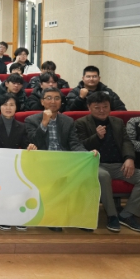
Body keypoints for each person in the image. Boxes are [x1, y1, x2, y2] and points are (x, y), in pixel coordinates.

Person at [75, 91, 140, 233]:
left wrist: (129, 158)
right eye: (97, 107)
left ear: (110, 106)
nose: (102, 110)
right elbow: (80, 146)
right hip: (95, 164)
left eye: (105, 107)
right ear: (89, 107)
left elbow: (126, 141)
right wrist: (97, 136)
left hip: (119, 165)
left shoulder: (117, 122)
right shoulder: (81, 123)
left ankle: (126, 215)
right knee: (103, 176)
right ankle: (112, 215)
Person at [24, 87, 87, 232]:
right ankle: (52, 216)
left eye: (57, 98)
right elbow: (34, 142)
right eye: (49, 98)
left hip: (64, 160)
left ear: (61, 102)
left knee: (84, 175)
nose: (53, 101)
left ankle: (78, 217)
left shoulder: (68, 121)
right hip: (44, 161)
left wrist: (86, 155)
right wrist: (44, 123)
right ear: (42, 102)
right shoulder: (31, 120)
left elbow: (74, 143)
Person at [0, 95, 37, 231]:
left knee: (20, 182)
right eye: (5, 105)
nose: (8, 108)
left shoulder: (21, 126)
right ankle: (4, 216)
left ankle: (17, 215)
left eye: (12, 105)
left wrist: (31, 146)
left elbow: (25, 144)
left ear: (16, 108)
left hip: (13, 164)